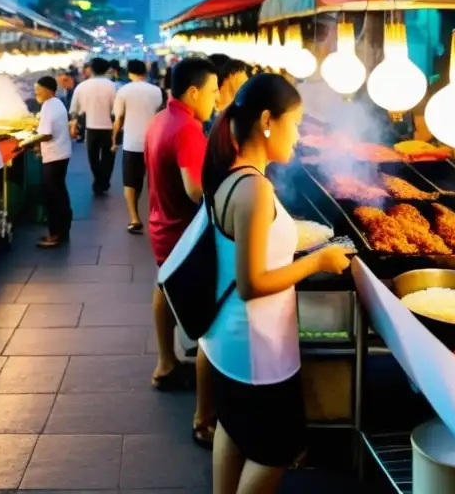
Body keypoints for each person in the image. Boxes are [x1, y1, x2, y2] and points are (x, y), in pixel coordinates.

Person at [201, 73, 351, 493]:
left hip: (230, 341)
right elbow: (251, 283)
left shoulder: (233, 174)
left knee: (233, 426)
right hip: (256, 349)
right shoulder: (255, 188)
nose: (299, 134)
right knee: (276, 451)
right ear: (268, 120)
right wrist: (317, 260)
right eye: (296, 122)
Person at [144, 57, 219, 447]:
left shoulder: (160, 119)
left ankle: (166, 362)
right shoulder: (188, 128)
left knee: (162, 285)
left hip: (160, 222)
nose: (216, 98)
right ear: (193, 92)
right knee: (207, 319)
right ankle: (204, 417)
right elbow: (194, 189)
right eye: (212, 91)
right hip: (181, 230)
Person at [112, 60, 164, 234]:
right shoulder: (157, 91)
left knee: (130, 181)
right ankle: (156, 216)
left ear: (129, 73)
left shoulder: (124, 91)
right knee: (154, 181)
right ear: (146, 72)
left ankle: (134, 219)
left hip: (131, 142)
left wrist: (113, 140)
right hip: (154, 142)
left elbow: (118, 118)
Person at [34, 75, 74, 249]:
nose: (36, 93)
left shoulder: (49, 106)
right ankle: (63, 229)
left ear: (47, 90)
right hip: (61, 153)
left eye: (38, 90)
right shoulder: (57, 103)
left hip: (54, 156)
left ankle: (55, 234)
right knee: (60, 193)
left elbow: (46, 134)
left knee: (52, 196)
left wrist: (29, 143)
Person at [69, 57, 117, 195]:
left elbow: (74, 109)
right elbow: (117, 109)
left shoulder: (82, 86)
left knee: (93, 157)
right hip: (109, 127)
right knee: (108, 157)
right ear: (106, 69)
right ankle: (104, 181)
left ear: (91, 69)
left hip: (90, 127)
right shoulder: (112, 86)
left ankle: (99, 181)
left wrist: (73, 124)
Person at [206, 59, 249, 133]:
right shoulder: (206, 105)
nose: (246, 82)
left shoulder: (238, 116)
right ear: (232, 74)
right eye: (243, 79)